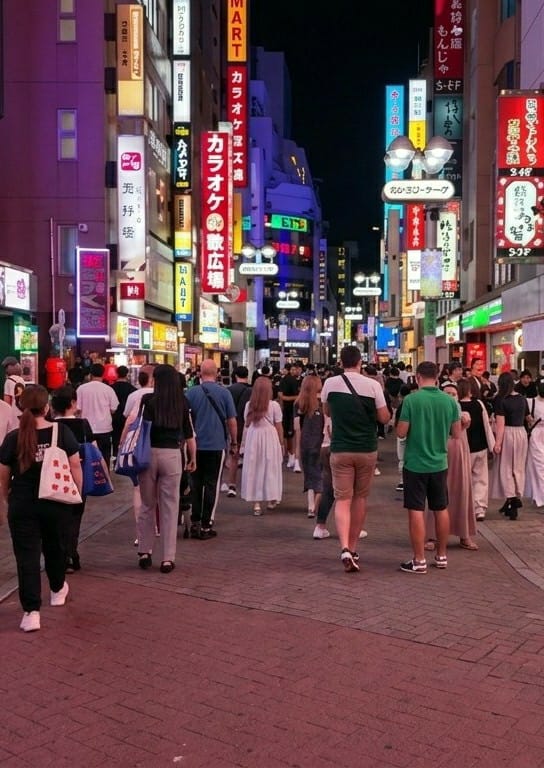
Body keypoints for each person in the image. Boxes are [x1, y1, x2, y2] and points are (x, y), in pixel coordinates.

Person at [0, 385, 82, 632]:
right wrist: (77, 492)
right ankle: (57, 589)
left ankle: (31, 612)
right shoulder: (62, 431)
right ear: (46, 407)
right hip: (56, 503)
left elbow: (3, 475)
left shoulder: (14, 437)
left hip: (22, 504)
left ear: (22, 407)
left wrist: (6, 498)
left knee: (27, 557)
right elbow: (75, 466)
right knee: (55, 547)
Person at [320, 345, 390, 573]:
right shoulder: (373, 385)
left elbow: (327, 411)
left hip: (340, 448)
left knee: (342, 499)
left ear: (340, 362)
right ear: (360, 362)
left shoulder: (330, 384)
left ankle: (343, 548)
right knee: (360, 498)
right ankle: (353, 546)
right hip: (366, 449)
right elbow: (384, 417)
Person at [396, 361, 461, 574]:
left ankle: (419, 559)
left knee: (416, 510)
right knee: (440, 508)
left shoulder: (411, 400)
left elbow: (401, 433)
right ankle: (442, 556)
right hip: (439, 463)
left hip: (415, 463)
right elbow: (457, 434)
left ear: (417, 377)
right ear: (438, 376)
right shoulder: (449, 401)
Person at [132, 364, 196, 573]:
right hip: (172, 455)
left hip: (149, 454)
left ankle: (144, 551)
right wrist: (192, 457)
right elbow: (189, 434)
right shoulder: (182, 402)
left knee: (147, 505)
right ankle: (168, 558)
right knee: (170, 507)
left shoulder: (147, 401)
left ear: (156, 380)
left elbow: (140, 427)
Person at [51, 384, 112, 573]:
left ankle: (60, 554)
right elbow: (96, 452)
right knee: (75, 517)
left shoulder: (50, 425)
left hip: (54, 477)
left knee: (56, 517)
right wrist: (106, 475)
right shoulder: (82, 424)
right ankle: (71, 555)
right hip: (79, 477)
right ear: (72, 403)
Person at [185, 359, 237, 539]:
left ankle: (194, 521)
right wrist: (234, 442)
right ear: (216, 373)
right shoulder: (224, 393)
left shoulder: (190, 393)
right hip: (216, 445)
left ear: (200, 373)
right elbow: (231, 421)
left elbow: (185, 420)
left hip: (194, 446)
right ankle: (207, 525)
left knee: (195, 485)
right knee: (211, 485)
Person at [426, 381, 477, 551]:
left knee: (462, 493)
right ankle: (432, 535)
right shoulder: (434, 412)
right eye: (446, 393)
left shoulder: (463, 413)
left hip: (459, 458)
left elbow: (465, 420)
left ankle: (464, 534)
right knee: (437, 494)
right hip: (439, 456)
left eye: (453, 394)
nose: (450, 397)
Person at [240, 376, 284, 514]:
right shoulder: (274, 405)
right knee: (271, 467)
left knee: (254, 467)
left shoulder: (249, 405)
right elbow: (279, 426)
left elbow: (246, 424)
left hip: (254, 436)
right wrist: (281, 443)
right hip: (270, 437)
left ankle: (256, 504)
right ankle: (271, 498)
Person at [490, 371, 529, 519]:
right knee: (518, 467)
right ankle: (515, 496)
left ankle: (512, 499)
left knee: (506, 468)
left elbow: (500, 424)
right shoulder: (522, 399)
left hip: (508, 434)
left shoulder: (500, 399)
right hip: (521, 433)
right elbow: (528, 418)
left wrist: (497, 444)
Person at [459, 376, 493, 522]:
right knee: (480, 479)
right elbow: (487, 425)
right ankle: (479, 509)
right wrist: (492, 445)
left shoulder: (455, 405)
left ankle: (463, 507)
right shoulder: (479, 404)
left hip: (463, 448)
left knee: (463, 479)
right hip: (481, 447)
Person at [76, 363, 119, 468]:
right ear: (103, 374)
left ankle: (89, 479)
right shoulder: (108, 389)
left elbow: (77, 409)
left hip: (86, 429)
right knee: (104, 456)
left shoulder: (81, 389)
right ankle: (105, 478)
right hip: (104, 428)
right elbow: (114, 409)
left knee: (87, 457)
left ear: (90, 374)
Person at [293, 374, 324, 518]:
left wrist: (297, 448)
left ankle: (311, 505)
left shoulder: (299, 403)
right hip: (321, 442)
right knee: (321, 475)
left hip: (306, 442)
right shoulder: (323, 402)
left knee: (309, 476)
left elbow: (297, 428)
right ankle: (315, 507)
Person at [222, 365, 252, 497]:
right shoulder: (252, 390)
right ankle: (249, 486)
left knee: (233, 456)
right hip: (248, 427)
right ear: (247, 375)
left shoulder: (229, 390)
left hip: (231, 425)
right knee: (250, 458)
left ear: (235, 376)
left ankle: (231, 485)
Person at [278, 361, 303, 471]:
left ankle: (292, 457)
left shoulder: (301, 380)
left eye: (296, 369)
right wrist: (296, 398)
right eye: (293, 369)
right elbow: (281, 396)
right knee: (290, 433)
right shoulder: (287, 380)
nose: (295, 371)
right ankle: (291, 456)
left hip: (295, 411)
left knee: (293, 433)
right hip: (289, 411)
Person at [525, 382, 544, 508]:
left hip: (537, 434)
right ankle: (540, 494)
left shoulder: (529, 402)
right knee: (538, 465)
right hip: (536, 435)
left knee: (539, 466)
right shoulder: (529, 402)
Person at [111, 365, 136, 459]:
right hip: (127, 418)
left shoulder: (111, 388)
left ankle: (115, 455)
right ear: (127, 374)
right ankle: (125, 456)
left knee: (115, 437)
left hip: (114, 417)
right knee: (127, 437)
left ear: (117, 374)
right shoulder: (132, 389)